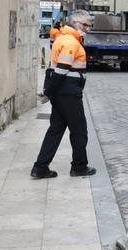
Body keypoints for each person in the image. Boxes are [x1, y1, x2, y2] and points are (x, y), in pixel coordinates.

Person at [31, 11, 97, 179]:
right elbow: (61, 69)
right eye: (86, 25)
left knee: (55, 130)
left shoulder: (62, 38)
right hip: (69, 94)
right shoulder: (70, 42)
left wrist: (51, 92)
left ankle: (40, 168)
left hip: (62, 93)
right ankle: (79, 167)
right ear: (76, 23)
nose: (88, 29)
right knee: (79, 131)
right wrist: (48, 92)